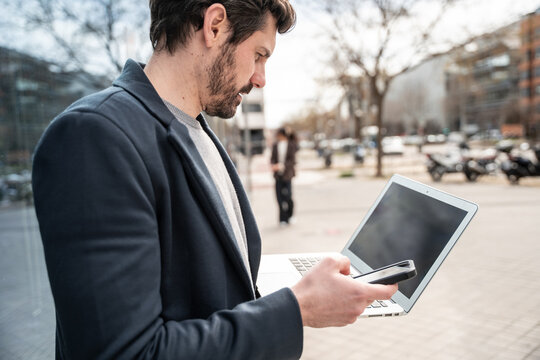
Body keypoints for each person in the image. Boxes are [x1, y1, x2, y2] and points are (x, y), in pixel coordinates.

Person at [32, 1, 398, 359]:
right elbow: (126, 351)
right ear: (215, 25)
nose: (260, 78)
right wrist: (297, 307)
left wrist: (297, 290)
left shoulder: (198, 131)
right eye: (259, 54)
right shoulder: (93, 136)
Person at [270, 127, 297, 226]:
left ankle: (290, 215)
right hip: (278, 175)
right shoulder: (275, 145)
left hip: (287, 175)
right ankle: (282, 219)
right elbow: (272, 158)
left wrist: (283, 165)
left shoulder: (291, 144)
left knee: (288, 196)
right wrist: (274, 165)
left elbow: (292, 160)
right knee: (279, 197)